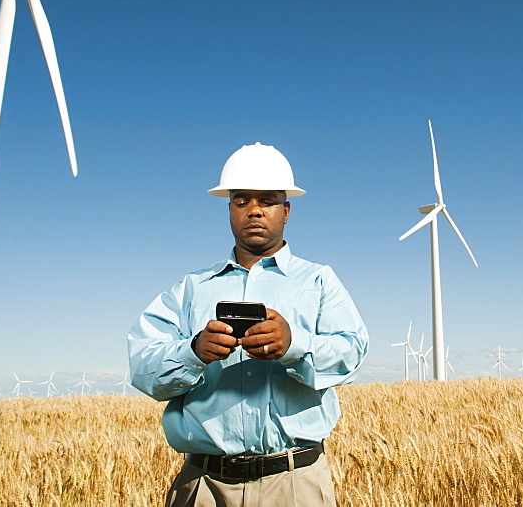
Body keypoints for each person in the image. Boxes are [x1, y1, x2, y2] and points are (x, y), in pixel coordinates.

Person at [128, 142, 368, 507]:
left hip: (295, 484)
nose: (254, 211)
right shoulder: (191, 287)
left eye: (267, 200)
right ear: (229, 210)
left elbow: (352, 352)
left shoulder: (319, 281)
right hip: (204, 486)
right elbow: (143, 367)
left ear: (286, 211)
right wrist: (193, 352)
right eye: (242, 201)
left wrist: (294, 344)